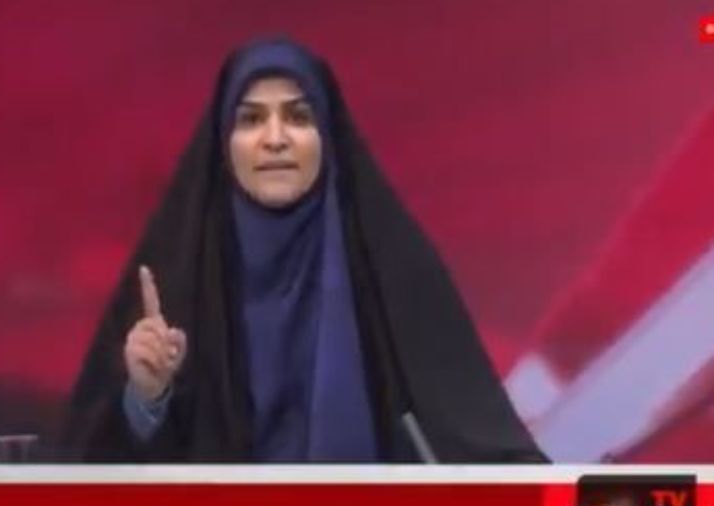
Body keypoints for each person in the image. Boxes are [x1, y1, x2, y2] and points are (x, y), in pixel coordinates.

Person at [64, 38, 546, 463]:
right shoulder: (173, 282)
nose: (275, 139)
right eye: (251, 119)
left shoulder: (391, 271)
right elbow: (89, 468)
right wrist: (147, 398)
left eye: (298, 116)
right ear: (223, 142)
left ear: (328, 136)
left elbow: (483, 444)